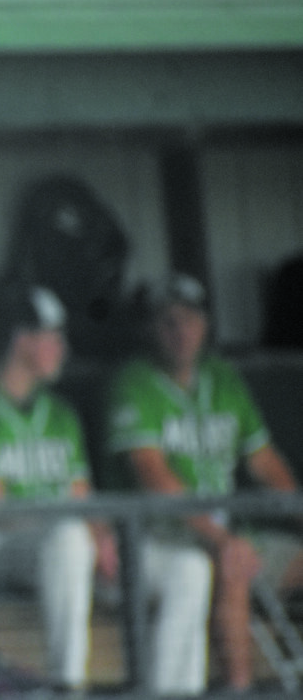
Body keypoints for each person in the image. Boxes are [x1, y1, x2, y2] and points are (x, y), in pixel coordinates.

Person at [107, 271, 303, 693]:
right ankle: (239, 690)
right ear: (151, 328)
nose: (181, 332)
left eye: (190, 320)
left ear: (206, 324)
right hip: (171, 538)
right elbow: (153, 476)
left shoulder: (223, 379)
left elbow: (265, 463)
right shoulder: (135, 383)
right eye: (169, 321)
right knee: (230, 562)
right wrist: (219, 538)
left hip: (233, 531)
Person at [0, 280, 119, 694]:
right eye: (52, 338)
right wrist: (76, 529)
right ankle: (68, 684)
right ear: (22, 340)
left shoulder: (60, 414)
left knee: (186, 570)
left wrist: (106, 541)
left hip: (61, 552)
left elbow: (81, 497)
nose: (61, 349)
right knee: (71, 538)